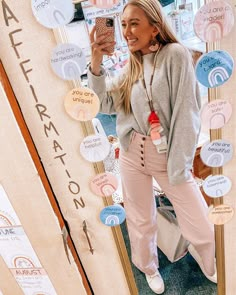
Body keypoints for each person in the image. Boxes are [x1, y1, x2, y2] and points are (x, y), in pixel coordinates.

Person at [88, 0, 216, 293]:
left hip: (167, 155)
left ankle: (213, 264)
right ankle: (147, 267)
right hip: (132, 154)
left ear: (154, 27)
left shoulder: (176, 55)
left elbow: (187, 114)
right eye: (122, 24)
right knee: (140, 218)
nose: (126, 32)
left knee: (197, 218)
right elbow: (106, 103)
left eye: (134, 23)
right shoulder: (130, 66)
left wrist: (179, 165)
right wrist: (96, 63)